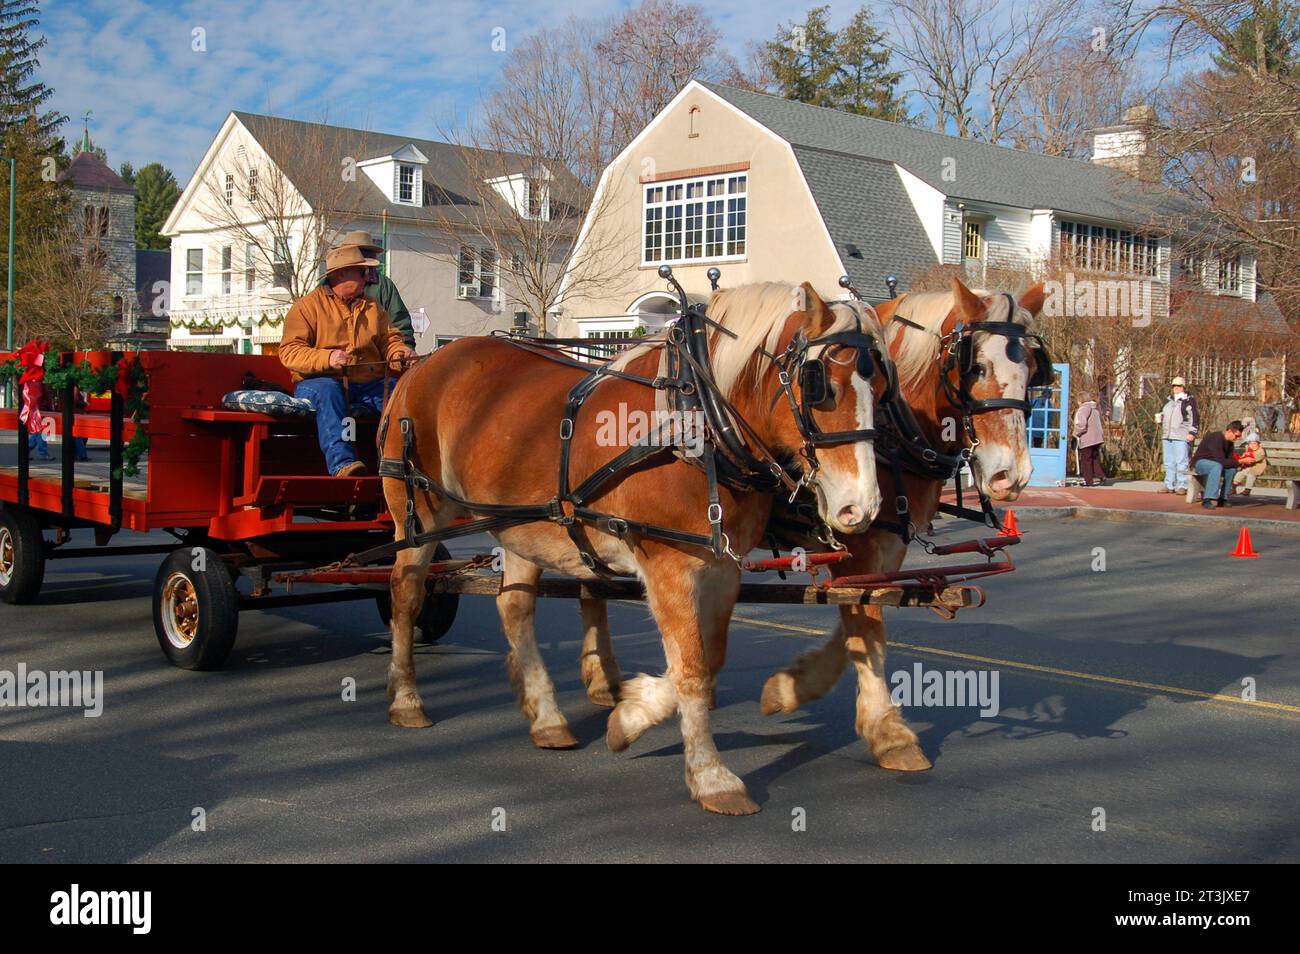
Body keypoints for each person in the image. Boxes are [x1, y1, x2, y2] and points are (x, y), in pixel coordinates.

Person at [280, 244, 414, 477]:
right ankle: (342, 465)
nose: (368, 278)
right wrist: (328, 357)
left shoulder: (375, 309)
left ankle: (405, 463)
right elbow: (290, 352)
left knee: (398, 392)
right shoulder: (306, 308)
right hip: (317, 382)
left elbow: (390, 343)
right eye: (362, 272)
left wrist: (401, 355)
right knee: (329, 390)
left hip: (366, 384)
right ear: (340, 274)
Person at [324, 230, 415, 348]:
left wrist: (404, 353)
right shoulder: (326, 287)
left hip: (378, 360)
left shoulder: (383, 286)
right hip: (334, 360)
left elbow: (400, 325)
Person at [1156, 376, 1199, 493]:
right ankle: (1169, 484)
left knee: (1182, 461)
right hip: (1167, 435)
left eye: (1179, 386)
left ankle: (1182, 485)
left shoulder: (1189, 401)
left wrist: (1192, 432)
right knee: (1168, 461)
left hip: (1181, 435)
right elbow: (1161, 413)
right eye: (1174, 386)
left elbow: (1194, 418)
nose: (1176, 388)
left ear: (1183, 387)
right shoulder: (1168, 400)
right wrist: (1159, 418)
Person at [1190, 420, 1244, 509]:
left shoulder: (1230, 443)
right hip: (1200, 462)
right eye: (1237, 435)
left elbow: (1229, 460)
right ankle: (1208, 498)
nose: (1237, 438)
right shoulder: (1215, 437)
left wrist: (1241, 463)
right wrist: (1239, 462)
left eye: (1239, 436)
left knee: (1231, 470)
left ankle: (1223, 498)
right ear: (1229, 431)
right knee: (1216, 466)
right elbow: (1221, 461)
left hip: (1216, 464)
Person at [1073, 393, 1105, 486]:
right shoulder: (1095, 410)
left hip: (1087, 439)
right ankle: (1101, 475)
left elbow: (1081, 425)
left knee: (1086, 460)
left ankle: (1088, 481)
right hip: (1097, 438)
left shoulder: (1082, 410)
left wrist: (1075, 434)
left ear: (1080, 400)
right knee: (1094, 458)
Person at [1232, 431, 1268, 495]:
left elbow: (1255, 458)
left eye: (1254, 443)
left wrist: (1246, 459)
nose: (1252, 445)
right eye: (1251, 444)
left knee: (1251, 475)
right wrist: (1241, 458)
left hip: (1257, 467)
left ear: (1258, 444)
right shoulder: (1248, 450)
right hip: (1248, 466)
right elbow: (1244, 456)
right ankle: (1233, 487)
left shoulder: (1260, 451)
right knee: (1240, 473)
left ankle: (1247, 490)